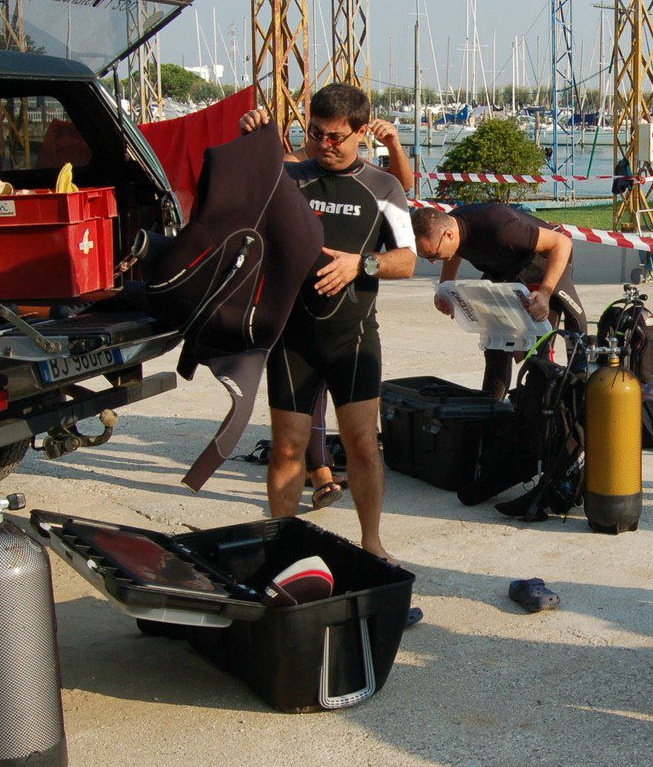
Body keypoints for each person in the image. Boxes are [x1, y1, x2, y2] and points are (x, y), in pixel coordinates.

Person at [237, 85, 417, 562]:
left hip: (352, 339)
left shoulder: (384, 187)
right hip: (293, 339)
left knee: (361, 445)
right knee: (286, 450)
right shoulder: (288, 174)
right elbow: (237, 199)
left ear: (361, 132)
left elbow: (408, 260)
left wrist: (362, 266)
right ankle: (283, 545)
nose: (323, 144)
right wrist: (252, 141)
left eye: (335, 137)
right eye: (315, 133)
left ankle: (372, 542)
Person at [412, 203, 587, 401]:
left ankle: (570, 400)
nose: (434, 261)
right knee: (496, 342)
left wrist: (545, 293)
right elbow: (454, 253)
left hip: (544, 262)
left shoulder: (499, 227)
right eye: (426, 258)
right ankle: (491, 408)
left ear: (449, 235)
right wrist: (445, 287)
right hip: (505, 270)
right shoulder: (450, 226)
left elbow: (562, 243)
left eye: (433, 255)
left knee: (542, 347)